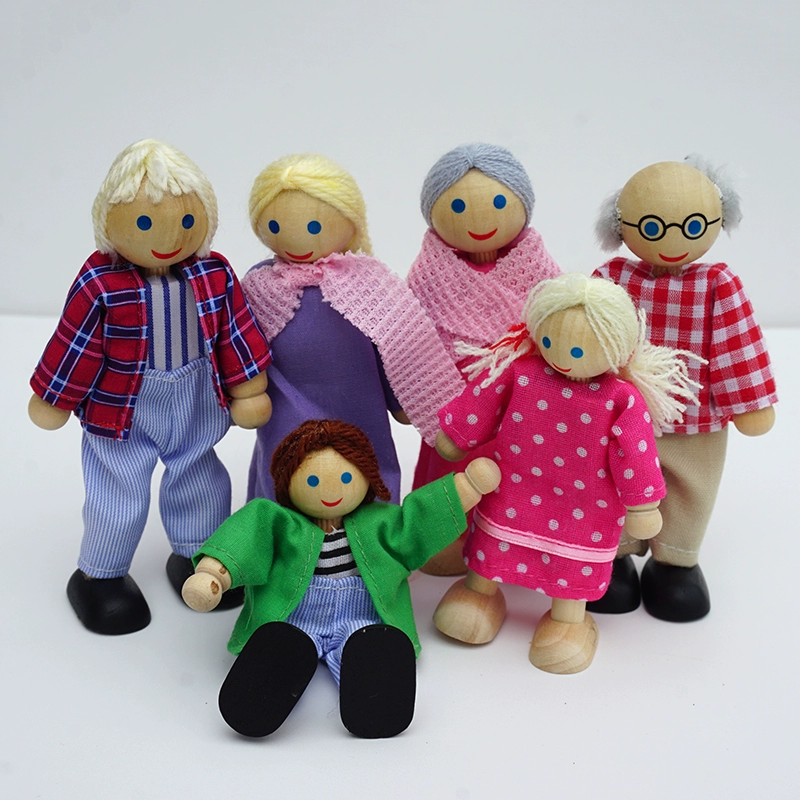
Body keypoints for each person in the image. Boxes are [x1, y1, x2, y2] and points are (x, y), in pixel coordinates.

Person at [29, 139, 272, 635]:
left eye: (187, 221)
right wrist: (54, 397)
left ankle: (200, 557)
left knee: (201, 479)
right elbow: (77, 343)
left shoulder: (213, 273)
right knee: (117, 490)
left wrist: (248, 388)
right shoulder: (101, 282)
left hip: (195, 401)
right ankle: (100, 575)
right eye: (143, 222)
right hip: (123, 409)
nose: (168, 236)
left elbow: (234, 333)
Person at [434, 273, 699, 672]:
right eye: (552, 340)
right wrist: (459, 433)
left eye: (579, 348)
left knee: (572, 568)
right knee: (494, 546)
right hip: (515, 489)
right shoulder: (522, 372)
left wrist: (643, 505)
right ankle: (480, 593)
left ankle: (568, 621)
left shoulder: (620, 398)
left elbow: (636, 451)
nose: (564, 354)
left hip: (585, 506)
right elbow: (484, 401)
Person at [182, 419, 500, 738]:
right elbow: (248, 537)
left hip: (361, 616)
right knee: (283, 644)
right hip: (294, 616)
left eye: (346, 478)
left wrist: (464, 490)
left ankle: (375, 696)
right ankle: (262, 690)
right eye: (313, 480)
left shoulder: (378, 523)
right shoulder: (278, 521)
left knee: (369, 647)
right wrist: (214, 573)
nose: (331, 491)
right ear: (287, 480)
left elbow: (416, 524)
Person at [592, 157, 777, 621]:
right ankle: (614, 555)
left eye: (691, 225)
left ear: (717, 220)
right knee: (609, 482)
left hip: (697, 419)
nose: (673, 239)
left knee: (691, 489)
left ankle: (675, 562)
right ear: (622, 226)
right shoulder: (612, 279)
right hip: (619, 417)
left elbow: (737, 344)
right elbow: (588, 335)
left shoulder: (718, 285)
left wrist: (749, 404)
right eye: (654, 227)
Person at [241, 153, 463, 504]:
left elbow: (399, 345)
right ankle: (280, 527)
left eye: (315, 227)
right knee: (284, 466)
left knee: (365, 462)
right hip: (285, 407)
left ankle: (375, 527)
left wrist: (401, 399)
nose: (297, 239)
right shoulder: (260, 286)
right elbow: (239, 346)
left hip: (357, 403)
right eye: (277, 227)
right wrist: (244, 394)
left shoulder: (367, 282)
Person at [407, 143, 561, 573]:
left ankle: (513, 538)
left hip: (519, 395)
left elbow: (561, 322)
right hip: (450, 392)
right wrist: (408, 391)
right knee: (448, 464)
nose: (479, 220)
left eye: (498, 204)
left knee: (518, 466)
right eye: (457, 206)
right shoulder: (427, 275)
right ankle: (444, 536)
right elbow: (410, 338)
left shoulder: (540, 269)